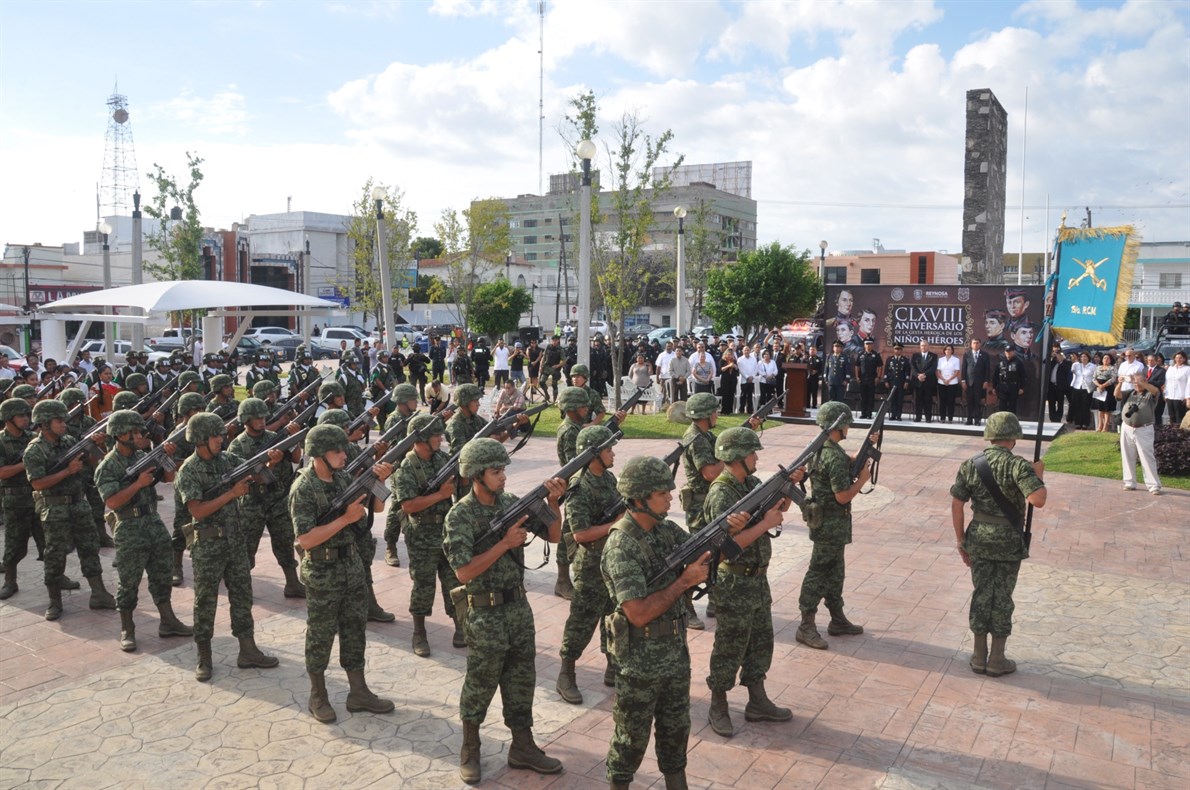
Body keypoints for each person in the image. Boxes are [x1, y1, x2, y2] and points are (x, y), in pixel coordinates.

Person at [444, 438, 565, 784]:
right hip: (484, 613)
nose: (503, 477)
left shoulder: (512, 503)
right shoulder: (460, 516)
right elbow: (464, 572)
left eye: (503, 470)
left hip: (517, 609)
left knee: (521, 680)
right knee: (480, 684)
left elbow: (554, 537)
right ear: (475, 475)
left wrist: (554, 502)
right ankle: (470, 748)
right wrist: (504, 544)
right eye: (496, 471)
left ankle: (523, 746)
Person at [600, 455, 708, 788]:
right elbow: (637, 612)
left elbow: (697, 549)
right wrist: (683, 583)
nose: (670, 497)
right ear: (640, 498)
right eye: (663, 493)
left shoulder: (664, 530)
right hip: (640, 660)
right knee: (630, 738)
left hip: (674, 653)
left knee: (676, 730)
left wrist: (730, 528)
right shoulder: (622, 545)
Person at [289, 423, 395, 723]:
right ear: (318, 455)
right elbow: (305, 539)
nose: (343, 455)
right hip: (322, 570)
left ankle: (358, 691)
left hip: (350, 567)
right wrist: (345, 519)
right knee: (321, 635)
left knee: (354, 630)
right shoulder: (304, 488)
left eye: (343, 449)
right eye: (336, 451)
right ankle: (318, 695)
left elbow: (374, 508)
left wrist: (379, 483)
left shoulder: (343, 478)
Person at [703, 427, 801, 738]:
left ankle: (757, 699)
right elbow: (726, 548)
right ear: (737, 457)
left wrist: (787, 490)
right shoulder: (721, 493)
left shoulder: (751, 484)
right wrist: (767, 525)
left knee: (760, 641)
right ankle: (718, 703)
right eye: (752, 453)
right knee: (730, 645)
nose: (757, 457)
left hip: (757, 579)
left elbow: (773, 511)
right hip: (734, 581)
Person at [174, 413, 281, 682]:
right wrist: (232, 494)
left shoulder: (227, 460)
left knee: (242, 595)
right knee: (206, 600)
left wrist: (267, 463)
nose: (221, 439)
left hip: (235, 541)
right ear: (200, 439)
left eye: (221, 435)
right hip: (208, 543)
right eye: (215, 436)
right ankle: (204, 657)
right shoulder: (189, 470)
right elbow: (197, 510)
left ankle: (248, 650)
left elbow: (253, 472)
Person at [951, 411, 1046, 677]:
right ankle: (997, 659)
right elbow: (1038, 500)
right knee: (1002, 597)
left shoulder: (971, 464)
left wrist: (961, 540)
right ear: (1014, 437)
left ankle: (979, 656)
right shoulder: (1020, 466)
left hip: (979, 538)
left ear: (990, 436)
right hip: (1007, 541)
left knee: (981, 593)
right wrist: (1038, 476)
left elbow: (957, 504)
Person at [93, 410, 193, 652]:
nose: (139, 436)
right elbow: (113, 502)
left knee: (161, 573)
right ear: (119, 434)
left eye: (140, 431)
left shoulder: (144, 456)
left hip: (153, 521)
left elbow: (169, 478)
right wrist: (137, 484)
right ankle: (127, 628)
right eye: (134, 432)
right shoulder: (108, 466)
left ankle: (168, 621)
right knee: (129, 580)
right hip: (129, 526)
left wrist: (166, 456)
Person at [24, 399, 115, 621]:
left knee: (89, 547)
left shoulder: (69, 442)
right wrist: (67, 471)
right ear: (44, 423)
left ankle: (99, 593)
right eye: (58, 420)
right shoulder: (34, 451)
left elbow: (95, 461)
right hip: (54, 508)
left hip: (78, 503)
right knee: (55, 554)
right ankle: (54, 601)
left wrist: (97, 445)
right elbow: (37, 483)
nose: (64, 424)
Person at [795, 401, 875, 650]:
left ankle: (837, 619)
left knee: (835, 572)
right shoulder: (832, 455)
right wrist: (862, 479)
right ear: (838, 427)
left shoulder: (820, 449)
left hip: (827, 523)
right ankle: (805, 625)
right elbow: (842, 495)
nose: (849, 427)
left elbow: (835, 464)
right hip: (830, 524)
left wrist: (861, 452)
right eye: (847, 424)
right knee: (819, 573)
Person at [555, 425, 621, 705]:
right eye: (608, 449)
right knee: (582, 621)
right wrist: (617, 525)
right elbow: (580, 534)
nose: (612, 454)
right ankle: (566, 674)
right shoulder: (579, 487)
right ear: (593, 455)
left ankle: (612, 666)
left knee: (612, 617)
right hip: (590, 565)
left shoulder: (608, 478)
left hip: (611, 561)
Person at [393, 413, 464, 657]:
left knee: (453, 581)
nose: (440, 438)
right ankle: (419, 633)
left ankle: (460, 627)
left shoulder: (443, 459)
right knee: (423, 584)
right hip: (422, 533)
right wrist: (440, 495)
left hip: (446, 531)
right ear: (421, 438)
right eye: (435, 435)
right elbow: (408, 506)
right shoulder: (406, 468)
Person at [227, 398, 305, 599]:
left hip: (278, 500)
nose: (261, 421)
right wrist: (270, 465)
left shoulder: (277, 437)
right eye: (256, 418)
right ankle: (242, 586)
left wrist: (295, 439)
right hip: (252, 503)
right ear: (245, 420)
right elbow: (242, 477)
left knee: (284, 542)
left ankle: (293, 583)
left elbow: (296, 458)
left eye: (263, 417)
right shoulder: (237, 446)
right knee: (246, 547)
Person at [1114, 372, 1163, 495]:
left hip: (1144, 429)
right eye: (1134, 381)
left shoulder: (1149, 394)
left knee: (1147, 457)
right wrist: (1120, 382)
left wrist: (1141, 382)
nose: (1136, 383)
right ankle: (1129, 482)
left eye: (1138, 381)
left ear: (1145, 381)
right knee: (1127, 455)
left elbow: (1156, 391)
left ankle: (1153, 485)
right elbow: (1117, 394)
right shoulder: (1130, 393)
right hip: (1127, 428)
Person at [961, 338, 992, 426]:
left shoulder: (985, 355)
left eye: (977, 343)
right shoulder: (967, 354)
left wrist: (986, 381)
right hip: (969, 382)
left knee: (978, 402)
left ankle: (977, 420)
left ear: (980, 344)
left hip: (980, 382)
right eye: (973, 343)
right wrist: (963, 381)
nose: (975, 345)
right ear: (971, 344)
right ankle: (969, 419)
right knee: (969, 401)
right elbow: (964, 368)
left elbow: (987, 369)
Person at [993, 346, 1027, 415]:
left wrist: (1022, 388)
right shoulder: (1001, 363)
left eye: (1010, 352)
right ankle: (1002, 424)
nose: (1008, 353)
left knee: (1012, 407)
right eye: (1007, 352)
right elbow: (995, 376)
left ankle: (1011, 424)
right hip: (1002, 387)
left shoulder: (1018, 362)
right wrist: (994, 387)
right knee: (1002, 407)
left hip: (1013, 387)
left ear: (1013, 352)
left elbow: (1023, 376)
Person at [854, 339, 883, 420]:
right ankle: (863, 413)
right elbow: (857, 366)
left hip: (872, 379)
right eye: (866, 344)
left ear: (872, 345)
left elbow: (880, 366)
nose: (868, 346)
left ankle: (869, 414)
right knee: (863, 397)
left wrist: (878, 377)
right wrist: (857, 377)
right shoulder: (860, 354)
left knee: (870, 397)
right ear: (864, 345)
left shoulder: (876, 354)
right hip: (862, 379)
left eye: (870, 344)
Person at [910, 340, 937, 422]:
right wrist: (918, 375)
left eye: (925, 345)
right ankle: (918, 417)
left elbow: (933, 368)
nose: (923, 347)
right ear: (920, 346)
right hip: (918, 381)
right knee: (918, 400)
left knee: (928, 400)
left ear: (928, 346)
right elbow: (912, 367)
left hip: (928, 381)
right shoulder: (915, 356)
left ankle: (928, 418)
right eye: (922, 345)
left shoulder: (933, 356)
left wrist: (924, 375)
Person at [1069, 351, 1096, 430]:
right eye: (1082, 357)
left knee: (1085, 406)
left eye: (1085, 357)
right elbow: (1073, 372)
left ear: (1088, 358)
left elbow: (1094, 376)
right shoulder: (1076, 365)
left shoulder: (1092, 366)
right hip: (1077, 386)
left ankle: (1085, 423)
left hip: (1087, 388)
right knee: (1077, 405)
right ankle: (1077, 422)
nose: (1083, 358)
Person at [882, 343, 910, 421]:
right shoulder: (889, 359)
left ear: (901, 350)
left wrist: (907, 381)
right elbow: (886, 371)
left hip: (901, 383)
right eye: (895, 349)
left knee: (900, 400)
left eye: (899, 349)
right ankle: (893, 415)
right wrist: (886, 381)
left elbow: (907, 372)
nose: (897, 351)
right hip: (891, 383)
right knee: (893, 400)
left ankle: (898, 416)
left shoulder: (905, 360)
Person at [1092, 352, 1118, 432]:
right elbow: (1093, 378)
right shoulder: (1098, 367)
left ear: (1110, 360)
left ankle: (1106, 426)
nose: (1106, 360)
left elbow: (1113, 379)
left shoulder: (1112, 368)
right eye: (1104, 358)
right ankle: (1100, 425)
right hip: (1099, 389)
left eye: (1108, 358)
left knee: (1107, 409)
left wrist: (1103, 386)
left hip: (1108, 389)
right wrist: (1099, 385)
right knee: (1100, 408)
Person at [936, 344, 961, 423]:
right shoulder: (941, 360)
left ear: (952, 350)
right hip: (941, 383)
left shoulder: (956, 360)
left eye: (949, 349)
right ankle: (942, 418)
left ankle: (950, 418)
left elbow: (957, 372)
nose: (948, 351)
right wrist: (944, 380)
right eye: (946, 349)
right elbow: (938, 371)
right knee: (942, 401)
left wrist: (949, 380)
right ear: (944, 351)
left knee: (951, 401)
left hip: (952, 383)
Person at [1165, 350, 1189, 426]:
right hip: (1170, 396)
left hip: (1180, 397)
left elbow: (1189, 384)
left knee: (1179, 417)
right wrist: (1165, 394)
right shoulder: (1170, 368)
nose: (1178, 360)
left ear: (1184, 359)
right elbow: (1167, 382)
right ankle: (1172, 434)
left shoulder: (1187, 369)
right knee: (1171, 417)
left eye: (1180, 358)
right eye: (1177, 358)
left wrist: (1187, 397)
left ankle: (1180, 435)